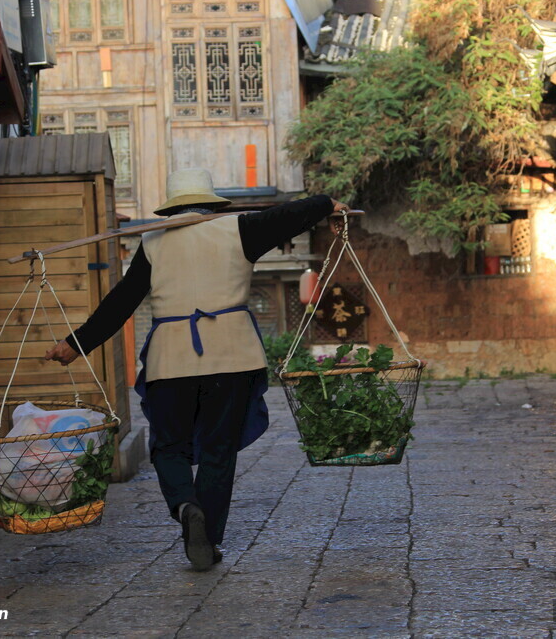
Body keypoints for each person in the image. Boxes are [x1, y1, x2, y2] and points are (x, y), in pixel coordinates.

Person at [45, 168, 348, 570]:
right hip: (233, 356)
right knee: (218, 451)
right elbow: (292, 213)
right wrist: (328, 204)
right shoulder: (240, 228)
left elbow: (120, 304)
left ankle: (186, 507)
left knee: (167, 447)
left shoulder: (153, 241)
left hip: (171, 361)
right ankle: (210, 539)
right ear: (212, 200)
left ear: (172, 207)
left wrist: (74, 345)